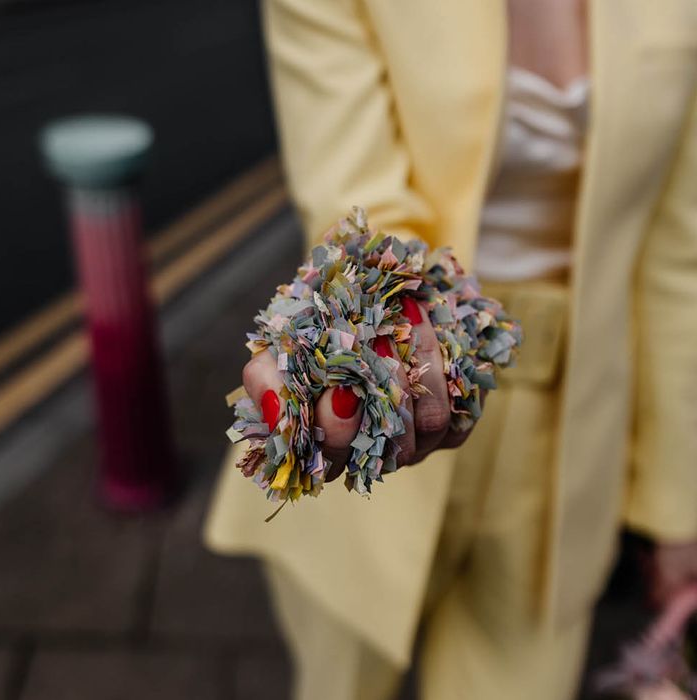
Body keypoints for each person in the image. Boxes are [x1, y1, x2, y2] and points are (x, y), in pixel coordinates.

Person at [205, 1, 697, 698]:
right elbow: (359, 202)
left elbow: (678, 261)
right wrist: (384, 336)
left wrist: (678, 503)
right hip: (390, 419)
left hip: (573, 448)